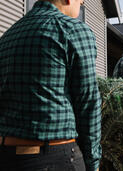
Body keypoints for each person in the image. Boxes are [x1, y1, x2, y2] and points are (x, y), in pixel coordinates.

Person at [0, 0, 101, 171]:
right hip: (55, 157)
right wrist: (93, 162)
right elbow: (88, 103)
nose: (83, 2)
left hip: (6, 155)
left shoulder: (8, 36)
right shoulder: (73, 30)